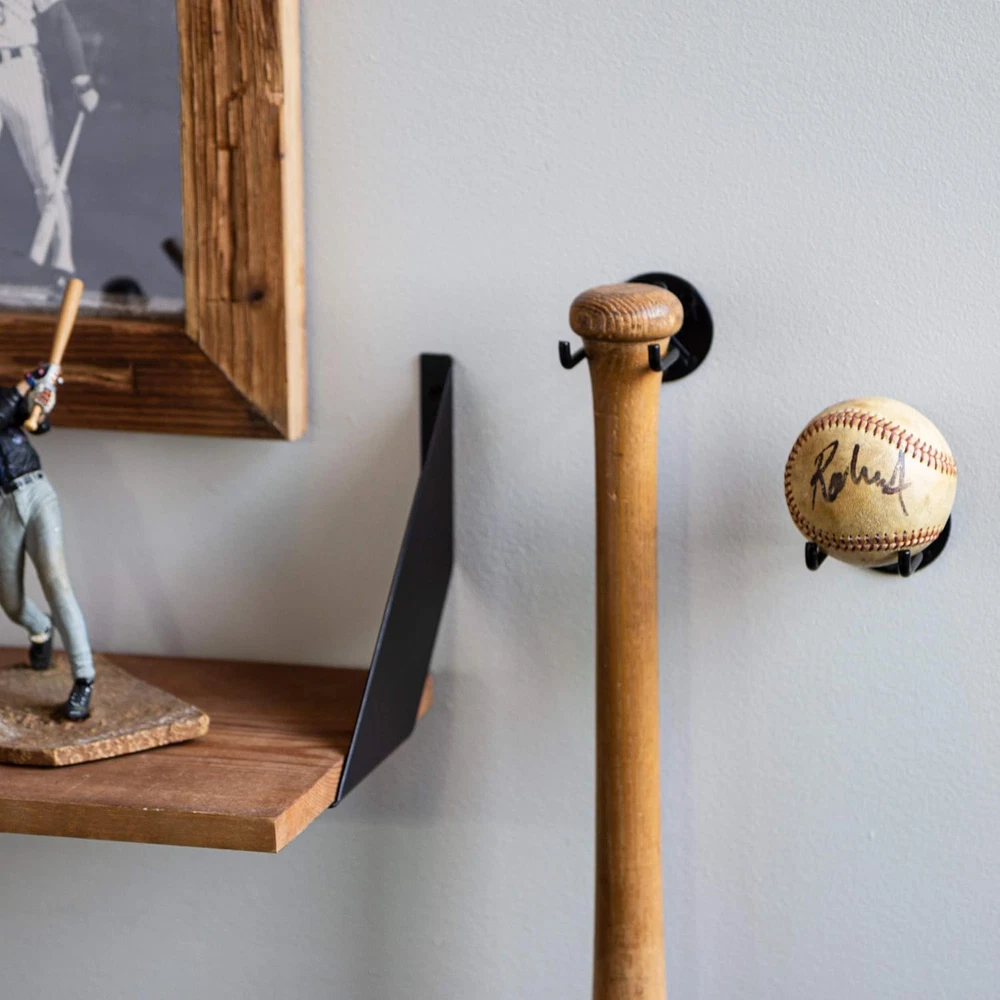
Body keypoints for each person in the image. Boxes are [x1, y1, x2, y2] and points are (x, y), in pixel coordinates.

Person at [0, 362, 94, 720]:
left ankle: (83, 678)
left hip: (36, 492)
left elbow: (37, 424)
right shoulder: (6, 399)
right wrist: (27, 382)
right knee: (11, 602)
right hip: (3, 507)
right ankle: (40, 629)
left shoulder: (4, 397)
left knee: (56, 581)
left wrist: (42, 398)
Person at [0, 0, 99, 290]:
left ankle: (62, 263)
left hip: (19, 68)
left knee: (45, 172)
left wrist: (81, 80)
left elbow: (59, 17)